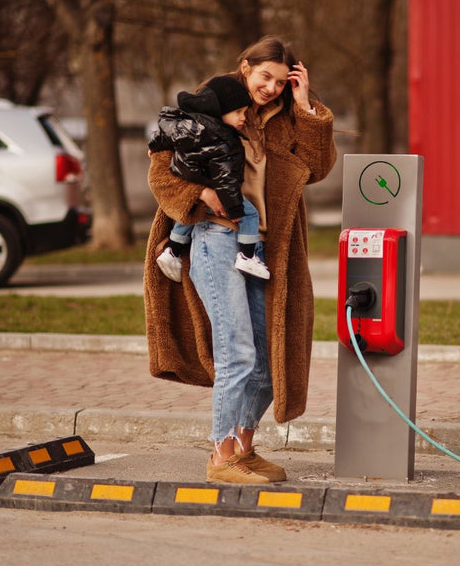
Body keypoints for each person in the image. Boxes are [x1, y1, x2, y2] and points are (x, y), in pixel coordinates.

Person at [144, 36, 336, 484]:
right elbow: (160, 168)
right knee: (238, 351)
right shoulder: (213, 103)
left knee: (271, 359)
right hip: (215, 237)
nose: (269, 87)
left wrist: (306, 107)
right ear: (245, 67)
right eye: (263, 76)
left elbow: (320, 167)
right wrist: (200, 195)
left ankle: (244, 449)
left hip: (268, 249)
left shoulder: (288, 117)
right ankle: (221, 455)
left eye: (279, 80)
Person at [148, 75, 270, 283]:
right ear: (220, 111)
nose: (244, 118)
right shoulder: (222, 141)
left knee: (195, 210)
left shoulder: (189, 123)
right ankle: (248, 255)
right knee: (250, 215)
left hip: (189, 175)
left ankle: (173, 249)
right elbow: (225, 179)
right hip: (210, 184)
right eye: (239, 112)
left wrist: (154, 146)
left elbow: (166, 134)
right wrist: (234, 209)